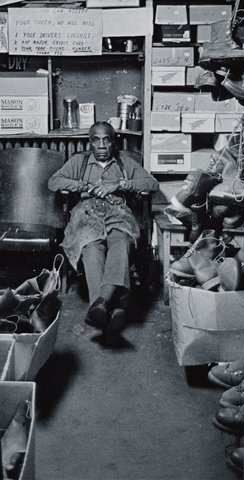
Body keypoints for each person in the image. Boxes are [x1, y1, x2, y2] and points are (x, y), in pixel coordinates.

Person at [48, 121, 158, 341]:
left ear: (112, 142)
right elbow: (54, 182)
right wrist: (84, 186)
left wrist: (119, 184)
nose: (101, 145)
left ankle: (100, 307)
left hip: (118, 213)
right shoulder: (79, 162)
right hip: (87, 213)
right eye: (96, 140)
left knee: (120, 243)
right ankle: (114, 306)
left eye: (106, 140)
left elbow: (152, 183)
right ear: (90, 143)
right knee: (90, 247)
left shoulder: (125, 163)